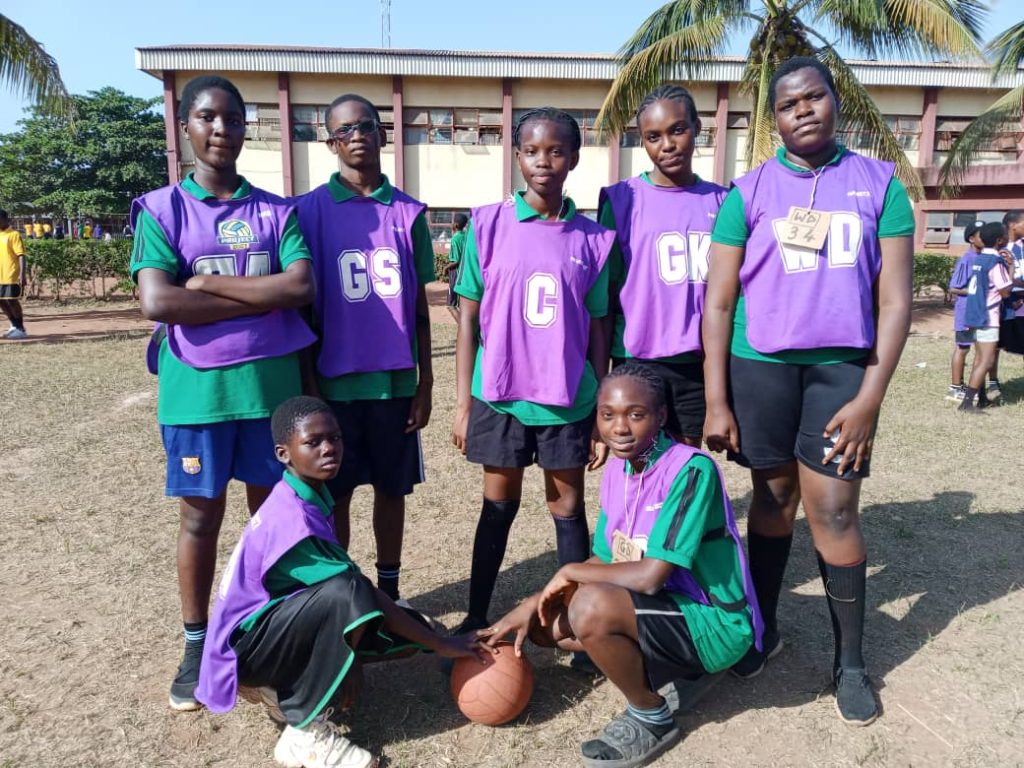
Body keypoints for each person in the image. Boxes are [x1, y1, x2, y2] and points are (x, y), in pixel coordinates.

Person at [703, 56, 915, 726]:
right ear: (776, 119)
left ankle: (850, 664)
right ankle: (762, 633)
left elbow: (897, 302)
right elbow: (717, 303)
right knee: (772, 499)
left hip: (842, 372)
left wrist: (869, 399)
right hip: (760, 366)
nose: (804, 110)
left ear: (835, 100)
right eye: (789, 104)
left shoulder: (880, 184)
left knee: (836, 511)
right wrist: (716, 399)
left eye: (814, 97)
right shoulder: (749, 191)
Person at [130, 75, 316, 712]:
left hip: (271, 398)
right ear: (185, 126)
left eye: (233, 119)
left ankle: (264, 634)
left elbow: (297, 289)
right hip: (198, 398)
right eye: (207, 117)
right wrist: (249, 298)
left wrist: (206, 288)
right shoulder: (161, 210)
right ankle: (195, 644)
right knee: (201, 519)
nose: (220, 129)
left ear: (246, 128)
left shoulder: (276, 210)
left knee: (270, 524)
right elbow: (157, 299)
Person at [481, 363, 762, 768]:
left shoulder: (691, 469)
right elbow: (609, 557)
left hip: (714, 621)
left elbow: (649, 576)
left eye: (636, 414)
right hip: (668, 607)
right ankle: (677, 667)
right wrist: (531, 602)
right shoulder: (619, 470)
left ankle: (652, 715)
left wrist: (570, 573)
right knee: (548, 626)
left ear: (660, 417)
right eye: (607, 415)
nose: (620, 428)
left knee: (589, 608)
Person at [197, 396, 485, 768]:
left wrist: (420, 636)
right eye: (313, 442)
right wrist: (440, 643)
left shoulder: (302, 493)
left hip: (256, 639)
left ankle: (281, 687)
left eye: (334, 438)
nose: (329, 448)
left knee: (381, 616)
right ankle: (305, 733)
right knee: (348, 592)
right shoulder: (293, 519)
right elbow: (354, 589)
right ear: (284, 453)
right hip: (244, 654)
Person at [450, 107, 614, 637]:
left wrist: (599, 411)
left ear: (574, 157)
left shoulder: (592, 239)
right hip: (500, 397)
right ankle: (477, 612)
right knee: (498, 505)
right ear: (517, 156)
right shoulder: (487, 224)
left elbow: (597, 328)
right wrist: (461, 403)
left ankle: (573, 620)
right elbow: (468, 318)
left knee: (565, 506)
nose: (543, 161)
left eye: (556, 150)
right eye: (531, 151)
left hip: (568, 399)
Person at [295, 93, 434, 605]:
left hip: (395, 381)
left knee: (392, 489)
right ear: (330, 141)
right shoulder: (306, 211)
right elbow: (303, 311)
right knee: (337, 492)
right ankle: (342, 592)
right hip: (333, 381)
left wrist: (426, 383)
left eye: (367, 126)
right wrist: (310, 388)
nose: (357, 135)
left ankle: (391, 591)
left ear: (382, 134)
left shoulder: (409, 213)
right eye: (345, 129)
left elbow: (419, 306)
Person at [599, 84, 727, 447]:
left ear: (697, 127)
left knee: (684, 463)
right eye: (653, 136)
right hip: (636, 357)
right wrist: (606, 371)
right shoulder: (621, 199)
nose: (667, 145)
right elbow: (607, 294)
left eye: (677, 130)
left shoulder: (723, 200)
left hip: (696, 362)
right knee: (639, 464)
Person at [959, 221, 1013, 413]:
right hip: (988, 317)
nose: (1008, 238)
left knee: (979, 358)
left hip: (975, 315)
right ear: (1000, 240)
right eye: (1006, 235)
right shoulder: (995, 263)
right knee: (986, 361)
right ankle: (967, 403)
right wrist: (1011, 266)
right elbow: (1005, 291)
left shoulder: (980, 259)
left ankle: (981, 399)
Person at [946, 221, 984, 402]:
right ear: (971, 239)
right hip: (966, 312)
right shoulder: (966, 259)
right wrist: (974, 291)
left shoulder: (984, 257)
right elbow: (954, 287)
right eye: (981, 235)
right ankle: (954, 389)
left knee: (979, 350)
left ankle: (972, 387)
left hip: (979, 313)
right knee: (962, 348)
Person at [0, 209, 29, 339]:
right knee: (1, 302)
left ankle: (21, 329)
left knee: (12, 301)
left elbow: (21, 255)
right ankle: (14, 325)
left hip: (11, 274)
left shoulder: (14, 234)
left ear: (6, 219)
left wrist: (22, 275)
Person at [999, 210, 1024, 355]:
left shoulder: (1021, 246)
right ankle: (992, 378)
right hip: (1007, 304)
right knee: (996, 347)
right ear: (1013, 225)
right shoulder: (1000, 248)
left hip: (1021, 303)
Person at [445, 212, 469, 321]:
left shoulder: (455, 238)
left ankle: (464, 329)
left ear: (455, 224)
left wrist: (445, 268)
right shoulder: (466, 235)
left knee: (451, 305)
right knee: (464, 305)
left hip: (456, 272)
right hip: (466, 273)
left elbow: (456, 260)